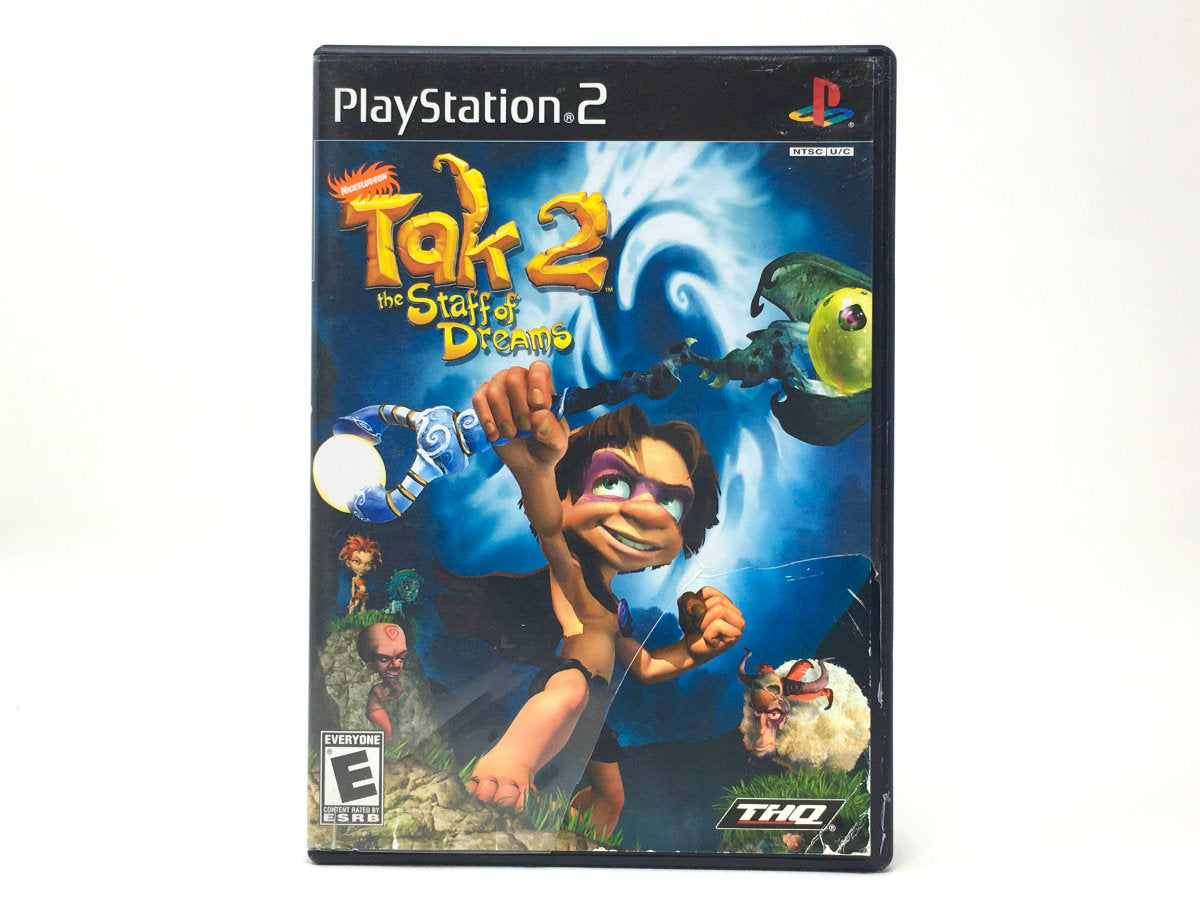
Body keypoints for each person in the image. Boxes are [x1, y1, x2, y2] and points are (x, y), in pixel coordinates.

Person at [461, 360, 744, 836]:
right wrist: (535, 472)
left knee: (612, 796)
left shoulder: (615, 607)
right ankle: (505, 765)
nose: (648, 513)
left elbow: (645, 667)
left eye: (671, 503)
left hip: (595, 707)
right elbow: (550, 529)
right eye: (612, 482)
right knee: (569, 691)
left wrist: (698, 649)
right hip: (569, 681)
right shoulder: (571, 571)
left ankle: (573, 839)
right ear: (565, 489)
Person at [356, 622, 408, 742]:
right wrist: (393, 696)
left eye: (401, 658)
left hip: (378, 710)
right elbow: (382, 699)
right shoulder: (376, 688)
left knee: (387, 731)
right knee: (386, 730)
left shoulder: (387, 684)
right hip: (374, 711)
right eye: (384, 659)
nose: (396, 665)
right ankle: (382, 747)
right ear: (371, 666)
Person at [339, 534, 381, 614]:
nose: (363, 568)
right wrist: (352, 597)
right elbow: (353, 589)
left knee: (363, 605)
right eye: (357, 562)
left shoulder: (365, 580)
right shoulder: (354, 579)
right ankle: (350, 614)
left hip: (364, 594)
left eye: (369, 564)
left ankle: (362, 615)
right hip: (359, 593)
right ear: (348, 563)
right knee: (355, 604)